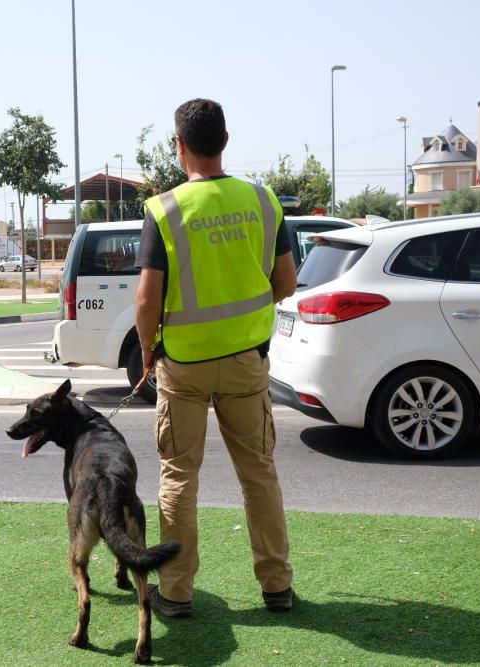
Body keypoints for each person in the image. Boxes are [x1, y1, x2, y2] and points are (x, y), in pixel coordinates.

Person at [134, 98, 298, 618]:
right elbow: (286, 281)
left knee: (179, 476)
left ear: (178, 145)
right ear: (225, 140)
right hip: (248, 361)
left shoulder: (164, 209)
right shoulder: (263, 199)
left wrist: (146, 350)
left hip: (182, 366)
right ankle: (276, 587)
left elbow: (147, 299)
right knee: (259, 473)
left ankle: (176, 591)